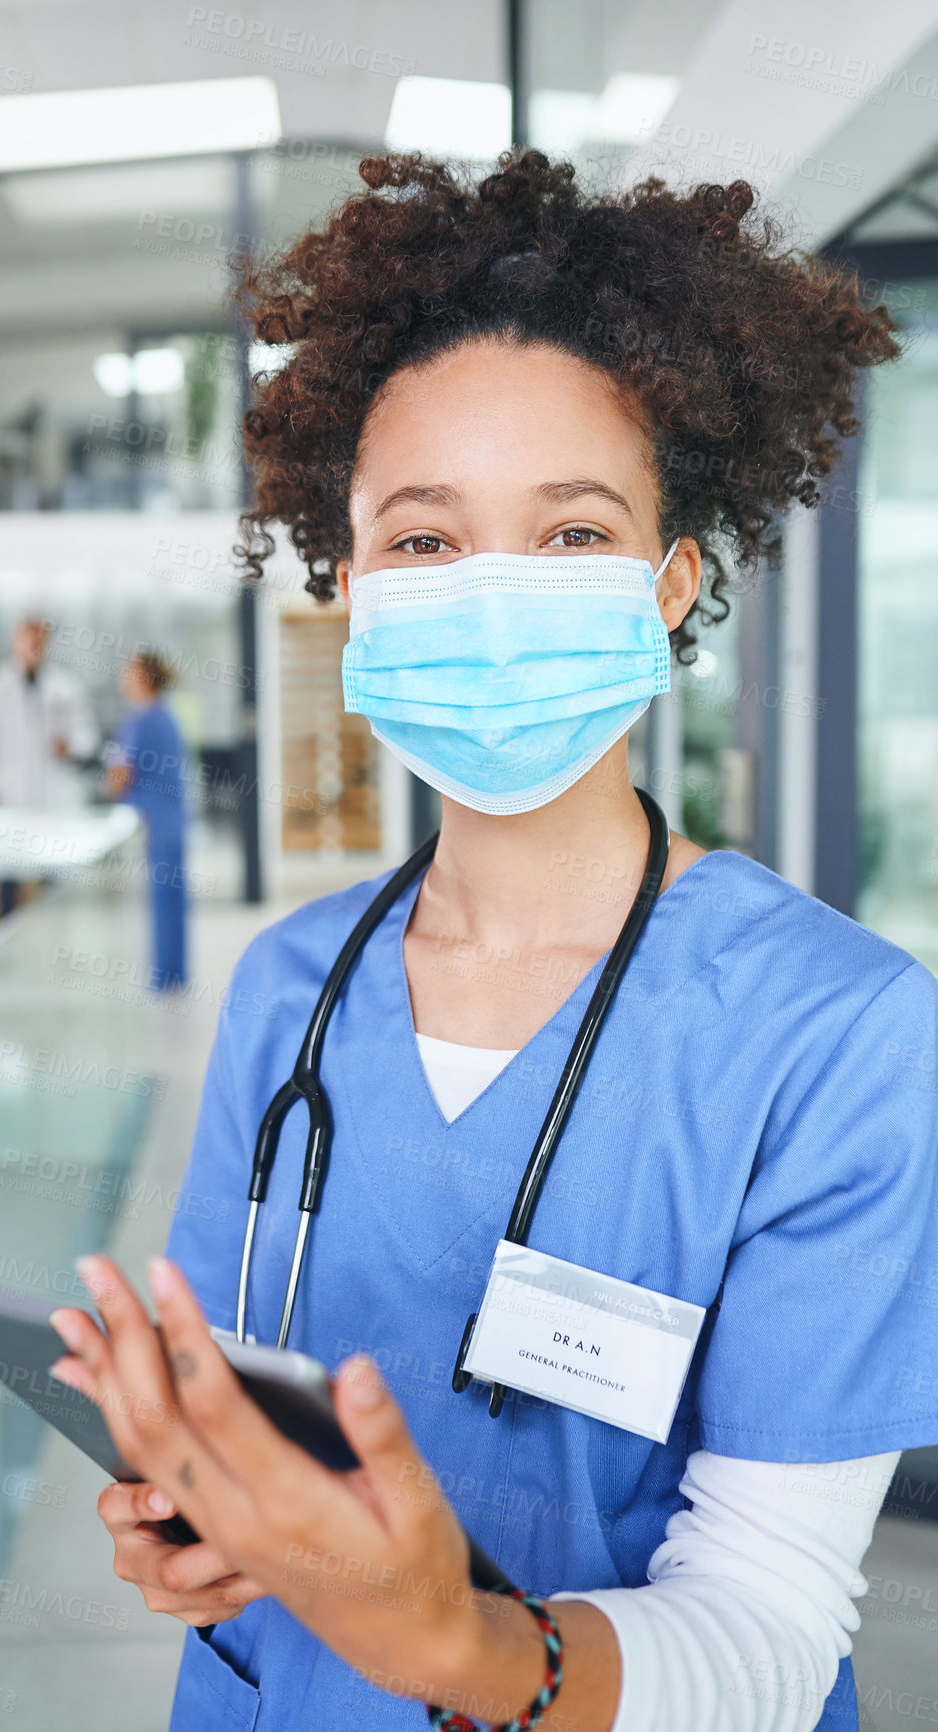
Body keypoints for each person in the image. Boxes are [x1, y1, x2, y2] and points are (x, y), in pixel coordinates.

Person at [46, 155, 938, 1732]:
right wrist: (191, 1524)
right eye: (425, 541)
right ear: (347, 586)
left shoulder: (840, 1035)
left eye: (574, 533)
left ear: (673, 589)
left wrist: (455, 1650)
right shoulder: (287, 991)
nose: (494, 594)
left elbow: (775, 1630)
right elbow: (220, 1411)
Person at [0, 616, 98, 918]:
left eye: (42, 638)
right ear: (15, 640)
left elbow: (87, 737)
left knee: (53, 885)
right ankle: (5, 958)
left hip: (51, 798)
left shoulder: (65, 688)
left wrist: (70, 745)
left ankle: (50, 952)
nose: (36, 644)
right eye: (30, 637)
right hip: (8, 798)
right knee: (8, 883)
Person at [106, 650, 188, 992]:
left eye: (129, 673)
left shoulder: (138, 722)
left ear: (144, 678)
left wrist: (105, 784)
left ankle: (161, 979)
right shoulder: (167, 717)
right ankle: (174, 975)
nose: (123, 679)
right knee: (173, 901)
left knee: (160, 901)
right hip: (173, 819)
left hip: (153, 822)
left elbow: (119, 777)